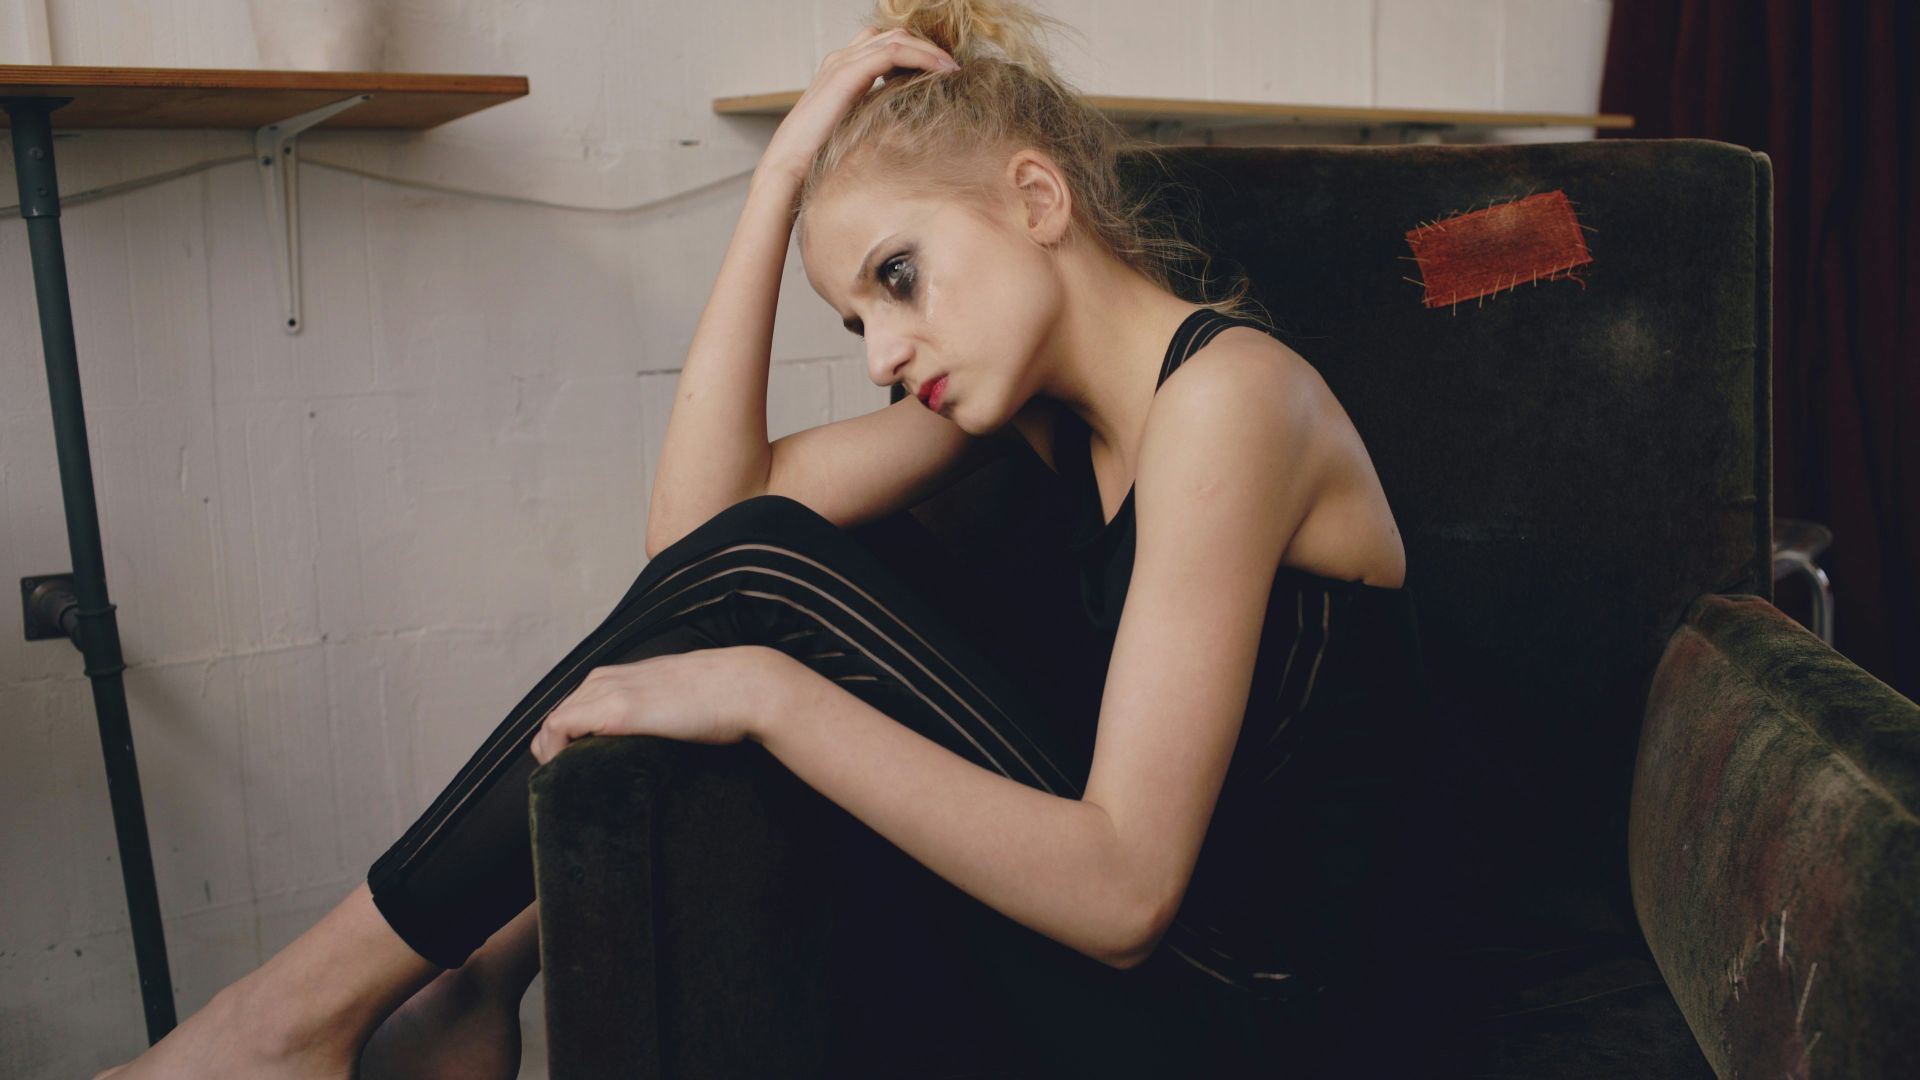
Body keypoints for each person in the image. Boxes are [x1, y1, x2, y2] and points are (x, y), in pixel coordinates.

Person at [97, 1, 1434, 1077]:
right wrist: (782, 175)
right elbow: (702, 545)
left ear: (1038, 200)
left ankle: (299, 1022)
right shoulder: (1034, 413)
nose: (880, 356)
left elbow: (1128, 894)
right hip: (1136, 966)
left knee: (767, 611)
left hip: (1257, 1008)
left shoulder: (1231, 400)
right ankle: (454, 982)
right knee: (758, 573)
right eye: (857, 321)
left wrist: (767, 696)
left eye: (897, 278)